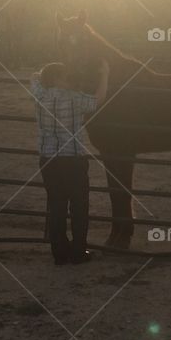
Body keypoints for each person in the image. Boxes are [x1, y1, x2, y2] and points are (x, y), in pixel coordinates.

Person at [31, 59, 109, 265]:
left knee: (56, 206)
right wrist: (105, 75)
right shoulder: (74, 98)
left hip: (48, 159)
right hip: (73, 160)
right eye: (66, 76)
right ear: (57, 79)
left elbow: (35, 77)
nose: (70, 79)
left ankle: (59, 253)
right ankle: (78, 251)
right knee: (79, 207)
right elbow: (98, 100)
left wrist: (47, 74)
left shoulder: (39, 95)